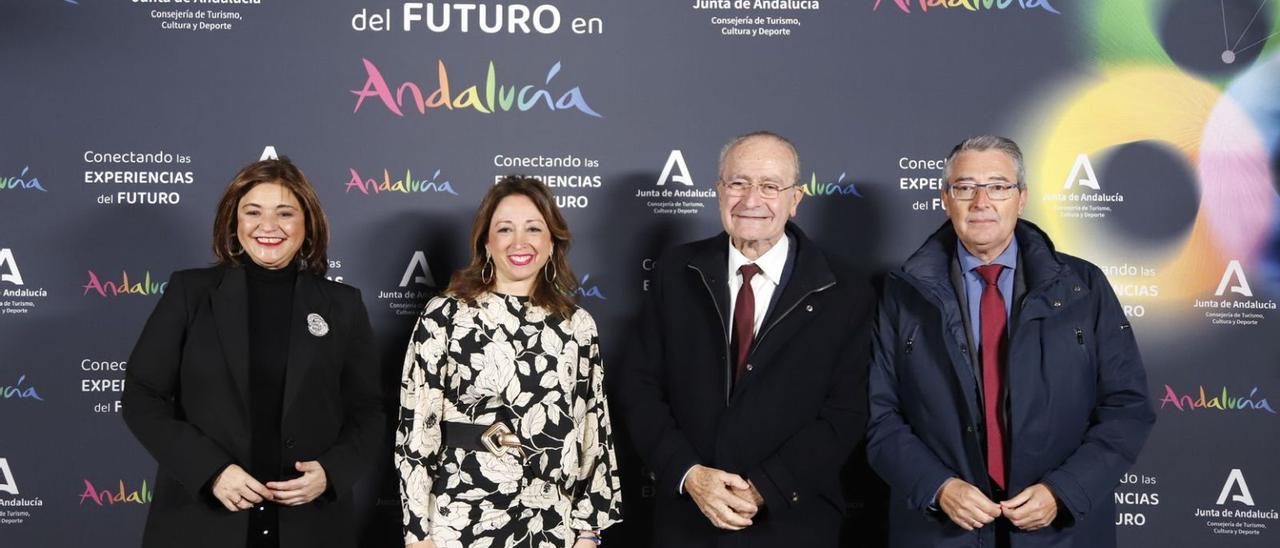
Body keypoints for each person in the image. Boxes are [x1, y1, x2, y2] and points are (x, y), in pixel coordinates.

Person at [866, 135, 1156, 547]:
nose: (981, 202)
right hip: (943, 533)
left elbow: (1128, 407)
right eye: (965, 187)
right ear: (945, 199)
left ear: (1021, 198)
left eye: (998, 187)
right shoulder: (901, 295)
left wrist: (1064, 491)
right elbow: (880, 416)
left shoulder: (1084, 287)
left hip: (1060, 533)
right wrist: (938, 487)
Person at [615, 131, 874, 546]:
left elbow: (848, 410)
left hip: (793, 523)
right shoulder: (675, 272)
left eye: (770, 186)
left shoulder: (844, 290)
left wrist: (766, 487)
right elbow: (640, 386)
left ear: (796, 199)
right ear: (719, 190)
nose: (751, 200)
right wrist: (689, 474)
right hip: (687, 521)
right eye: (738, 183)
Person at [122, 158, 385, 548]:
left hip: (310, 527)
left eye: (285, 213)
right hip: (201, 523)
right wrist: (209, 471)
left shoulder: (342, 305)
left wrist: (330, 473)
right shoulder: (190, 294)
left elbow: (368, 410)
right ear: (234, 222)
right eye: (253, 212)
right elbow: (142, 396)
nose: (268, 226)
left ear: (307, 225)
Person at [396, 175, 623, 548]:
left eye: (534, 228)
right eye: (505, 229)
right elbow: (416, 427)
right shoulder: (446, 315)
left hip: (551, 519)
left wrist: (588, 531)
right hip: (462, 513)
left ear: (552, 242)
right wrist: (418, 533)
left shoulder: (577, 325)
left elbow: (592, 430)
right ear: (486, 242)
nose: (520, 242)